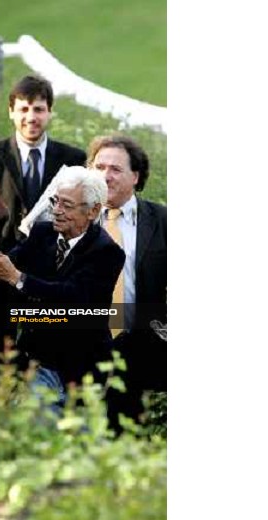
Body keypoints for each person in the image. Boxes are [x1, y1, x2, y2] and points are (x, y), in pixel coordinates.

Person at [0, 75, 86, 379]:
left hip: (48, 285)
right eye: (23, 109)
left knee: (48, 374)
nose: (31, 118)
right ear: (11, 112)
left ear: (49, 112)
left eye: (38, 109)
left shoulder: (74, 160)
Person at [0, 166, 125, 413]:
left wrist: (16, 277)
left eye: (66, 205)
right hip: (38, 363)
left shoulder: (107, 253)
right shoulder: (42, 233)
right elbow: (8, 275)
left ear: (93, 210)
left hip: (82, 371)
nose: (56, 211)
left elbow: (73, 300)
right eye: (55, 201)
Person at [87, 134, 167, 426]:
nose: (105, 176)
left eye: (115, 169)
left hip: (143, 346)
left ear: (136, 176)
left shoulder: (162, 221)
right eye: (99, 167)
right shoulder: (73, 220)